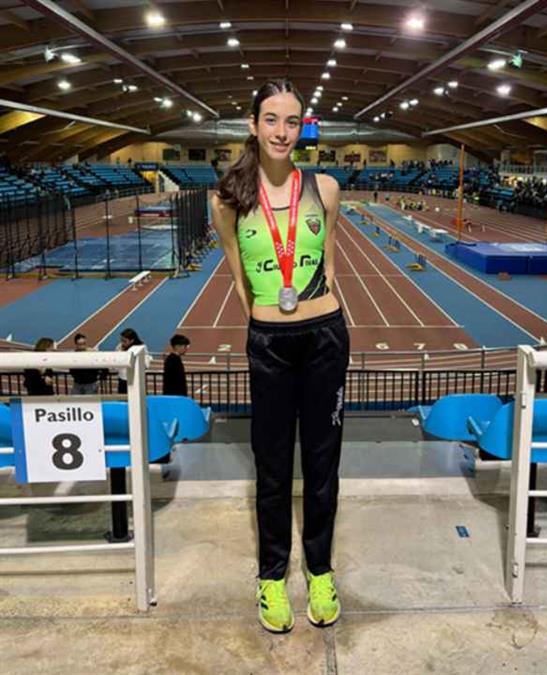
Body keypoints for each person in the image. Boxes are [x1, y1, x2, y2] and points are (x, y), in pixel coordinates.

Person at [212, 79, 348, 634]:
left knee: (322, 465)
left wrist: (320, 311)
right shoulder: (226, 199)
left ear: (303, 128)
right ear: (253, 124)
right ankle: (272, 577)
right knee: (272, 471)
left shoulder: (327, 189)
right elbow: (237, 274)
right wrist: (263, 321)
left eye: (292, 122)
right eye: (271, 120)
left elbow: (331, 261)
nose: (282, 132)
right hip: (269, 345)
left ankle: (319, 569)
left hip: (325, 337)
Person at [116, 328, 146, 395]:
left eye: (124, 341)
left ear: (132, 340)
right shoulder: (119, 347)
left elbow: (145, 364)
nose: (122, 343)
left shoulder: (141, 348)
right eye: (121, 340)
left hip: (135, 380)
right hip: (122, 380)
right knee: (123, 401)